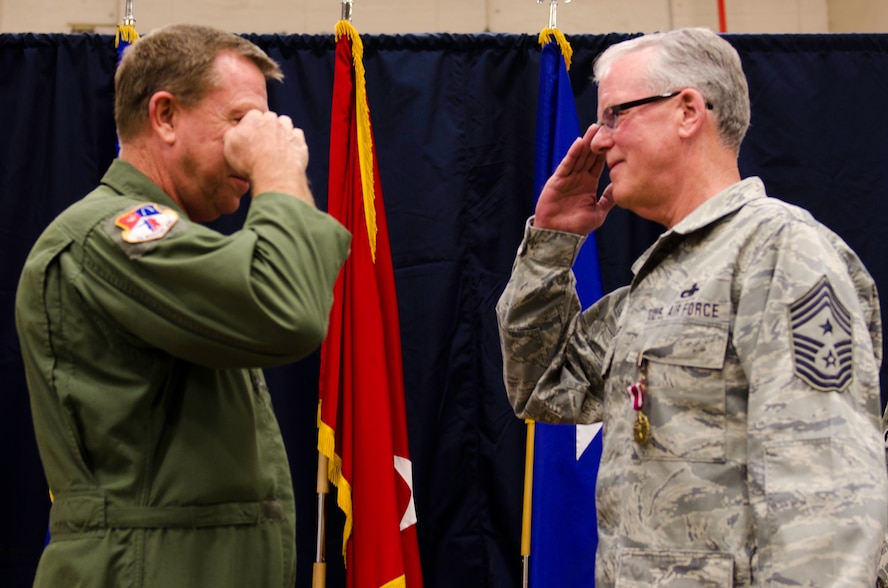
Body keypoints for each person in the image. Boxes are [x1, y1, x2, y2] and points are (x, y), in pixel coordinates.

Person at [496, 27, 888, 586]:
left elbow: (826, 502)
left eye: (614, 115)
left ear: (686, 111)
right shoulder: (662, 280)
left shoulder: (780, 254)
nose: (598, 141)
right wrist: (552, 242)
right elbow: (541, 381)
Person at [15, 24, 351, 587]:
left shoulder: (178, 244)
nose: (255, 147)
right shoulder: (111, 235)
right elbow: (287, 310)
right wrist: (279, 170)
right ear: (164, 116)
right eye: (242, 122)